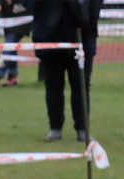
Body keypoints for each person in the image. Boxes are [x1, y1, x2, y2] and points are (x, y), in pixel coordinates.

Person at [25, 0, 102, 142]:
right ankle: (55, 128)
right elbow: (28, 4)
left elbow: (94, 6)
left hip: (82, 37)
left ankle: (82, 129)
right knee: (53, 85)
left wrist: (85, 20)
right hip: (49, 37)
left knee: (81, 85)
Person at [0, 0, 31, 87]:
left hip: (21, 20)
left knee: (9, 46)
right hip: (8, 19)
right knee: (12, 47)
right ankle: (13, 76)